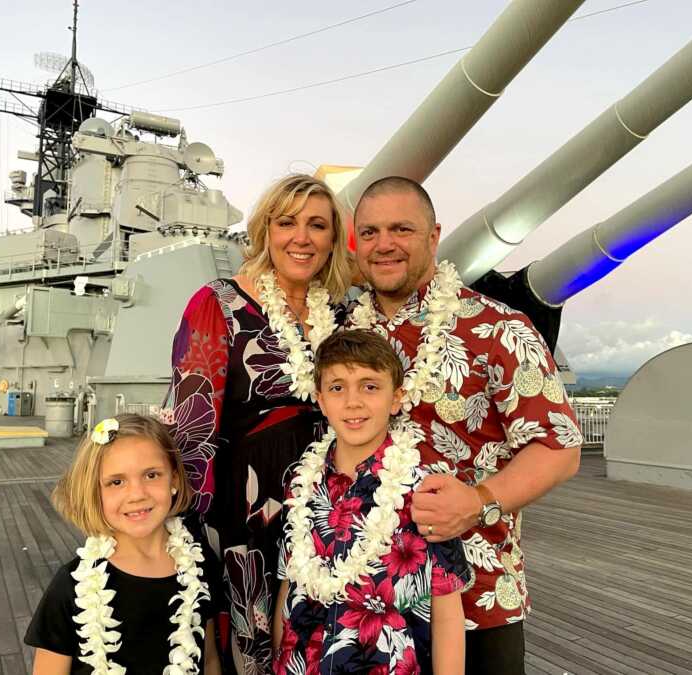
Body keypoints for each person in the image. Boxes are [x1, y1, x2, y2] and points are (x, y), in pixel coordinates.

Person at [348, 176, 584, 674]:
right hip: (362, 600)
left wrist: (478, 501)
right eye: (369, 232)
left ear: (434, 237)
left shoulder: (498, 329)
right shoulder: (341, 337)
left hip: (477, 595)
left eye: (401, 229)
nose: (384, 243)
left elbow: (559, 447)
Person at [163, 174, 354, 673]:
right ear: (265, 229)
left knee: (323, 640)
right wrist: (186, 534)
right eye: (286, 222)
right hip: (245, 511)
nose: (302, 237)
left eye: (318, 225)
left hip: (328, 507)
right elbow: (192, 427)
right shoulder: (218, 304)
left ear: (334, 238)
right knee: (252, 644)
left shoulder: (342, 312)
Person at [273, 329, 469, 675]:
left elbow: (448, 612)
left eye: (370, 386)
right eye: (337, 388)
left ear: (396, 398)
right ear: (320, 400)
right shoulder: (300, 485)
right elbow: (289, 588)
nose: (353, 402)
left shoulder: (424, 490)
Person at [25, 413, 222, 675]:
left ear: (174, 479)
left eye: (152, 475)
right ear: (95, 492)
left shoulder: (199, 565)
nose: (137, 494)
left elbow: (208, 660)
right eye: (116, 482)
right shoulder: (70, 586)